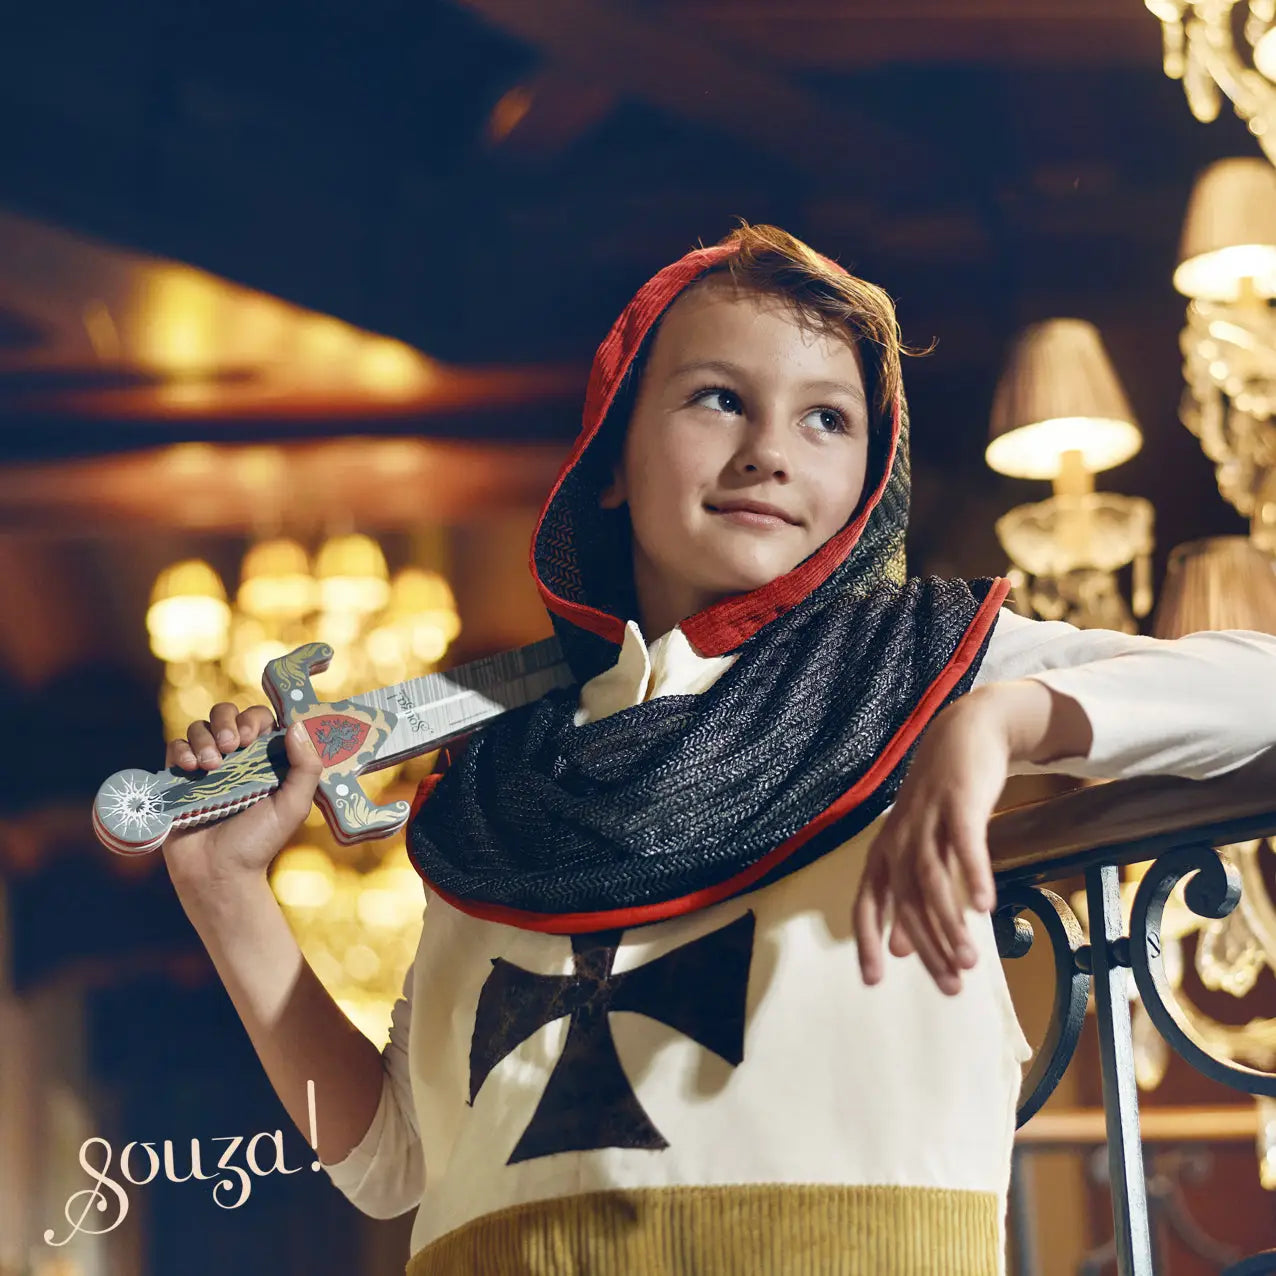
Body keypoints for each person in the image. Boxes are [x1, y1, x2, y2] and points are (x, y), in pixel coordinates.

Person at [161, 224, 1276, 1275]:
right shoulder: (494, 786)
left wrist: (999, 719)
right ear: (611, 454)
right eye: (717, 399)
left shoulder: (925, 666)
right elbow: (391, 1164)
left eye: (826, 419)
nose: (769, 454)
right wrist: (226, 895)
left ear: (869, 473)